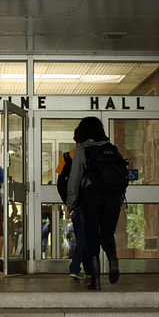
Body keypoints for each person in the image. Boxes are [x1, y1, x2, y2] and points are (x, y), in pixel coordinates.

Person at [66, 117, 121, 291]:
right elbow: (119, 176)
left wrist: (71, 204)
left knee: (91, 237)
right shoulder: (112, 149)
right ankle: (113, 259)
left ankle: (95, 281)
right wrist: (119, 200)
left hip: (92, 196)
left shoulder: (82, 151)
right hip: (112, 196)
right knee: (107, 235)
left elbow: (74, 180)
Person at [55, 127, 92, 280]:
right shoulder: (90, 156)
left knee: (80, 235)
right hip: (86, 203)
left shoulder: (66, 157)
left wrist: (69, 205)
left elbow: (61, 184)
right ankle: (75, 267)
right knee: (84, 237)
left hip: (74, 204)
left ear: (74, 139)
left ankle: (88, 269)